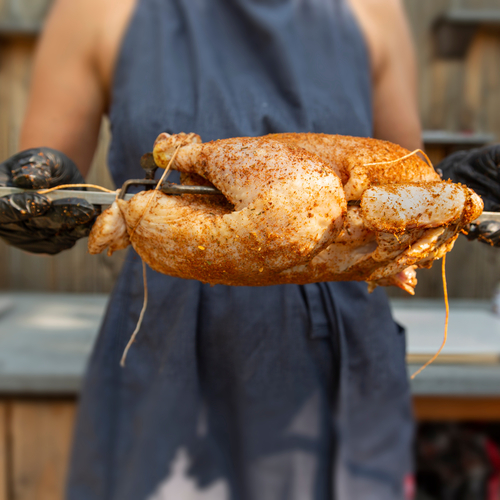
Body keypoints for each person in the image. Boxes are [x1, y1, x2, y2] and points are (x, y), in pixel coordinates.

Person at [0, 0, 496, 498]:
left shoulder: (372, 9)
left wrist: (448, 194)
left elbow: (397, 172)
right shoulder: (93, 9)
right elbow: (50, 182)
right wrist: (33, 198)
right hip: (167, 341)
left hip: (341, 345)